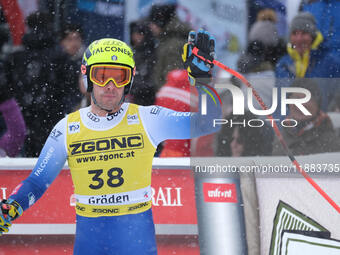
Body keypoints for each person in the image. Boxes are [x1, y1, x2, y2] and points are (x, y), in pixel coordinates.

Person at [0, 30, 221, 254]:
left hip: (136, 245)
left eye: (120, 77)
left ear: (130, 80)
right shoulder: (67, 128)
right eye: (102, 76)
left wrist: (201, 79)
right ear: (87, 77)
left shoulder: (148, 118)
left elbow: (210, 122)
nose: (111, 85)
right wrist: (10, 208)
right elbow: (37, 183)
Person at [6, 12, 82, 157]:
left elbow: (9, 91)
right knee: (51, 161)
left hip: (23, 118)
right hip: (52, 119)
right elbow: (71, 90)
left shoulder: (17, 57)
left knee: (21, 165)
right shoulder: (60, 57)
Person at [275, 12, 340, 116]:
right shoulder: (283, 65)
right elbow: (279, 104)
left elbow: (336, 100)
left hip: (321, 128)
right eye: (295, 33)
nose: (299, 39)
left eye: (304, 33)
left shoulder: (330, 63)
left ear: (313, 36)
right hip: (290, 128)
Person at [272, 78, 340, 155]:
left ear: (317, 105)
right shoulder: (280, 137)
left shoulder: (330, 140)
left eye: (308, 99)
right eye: (296, 98)